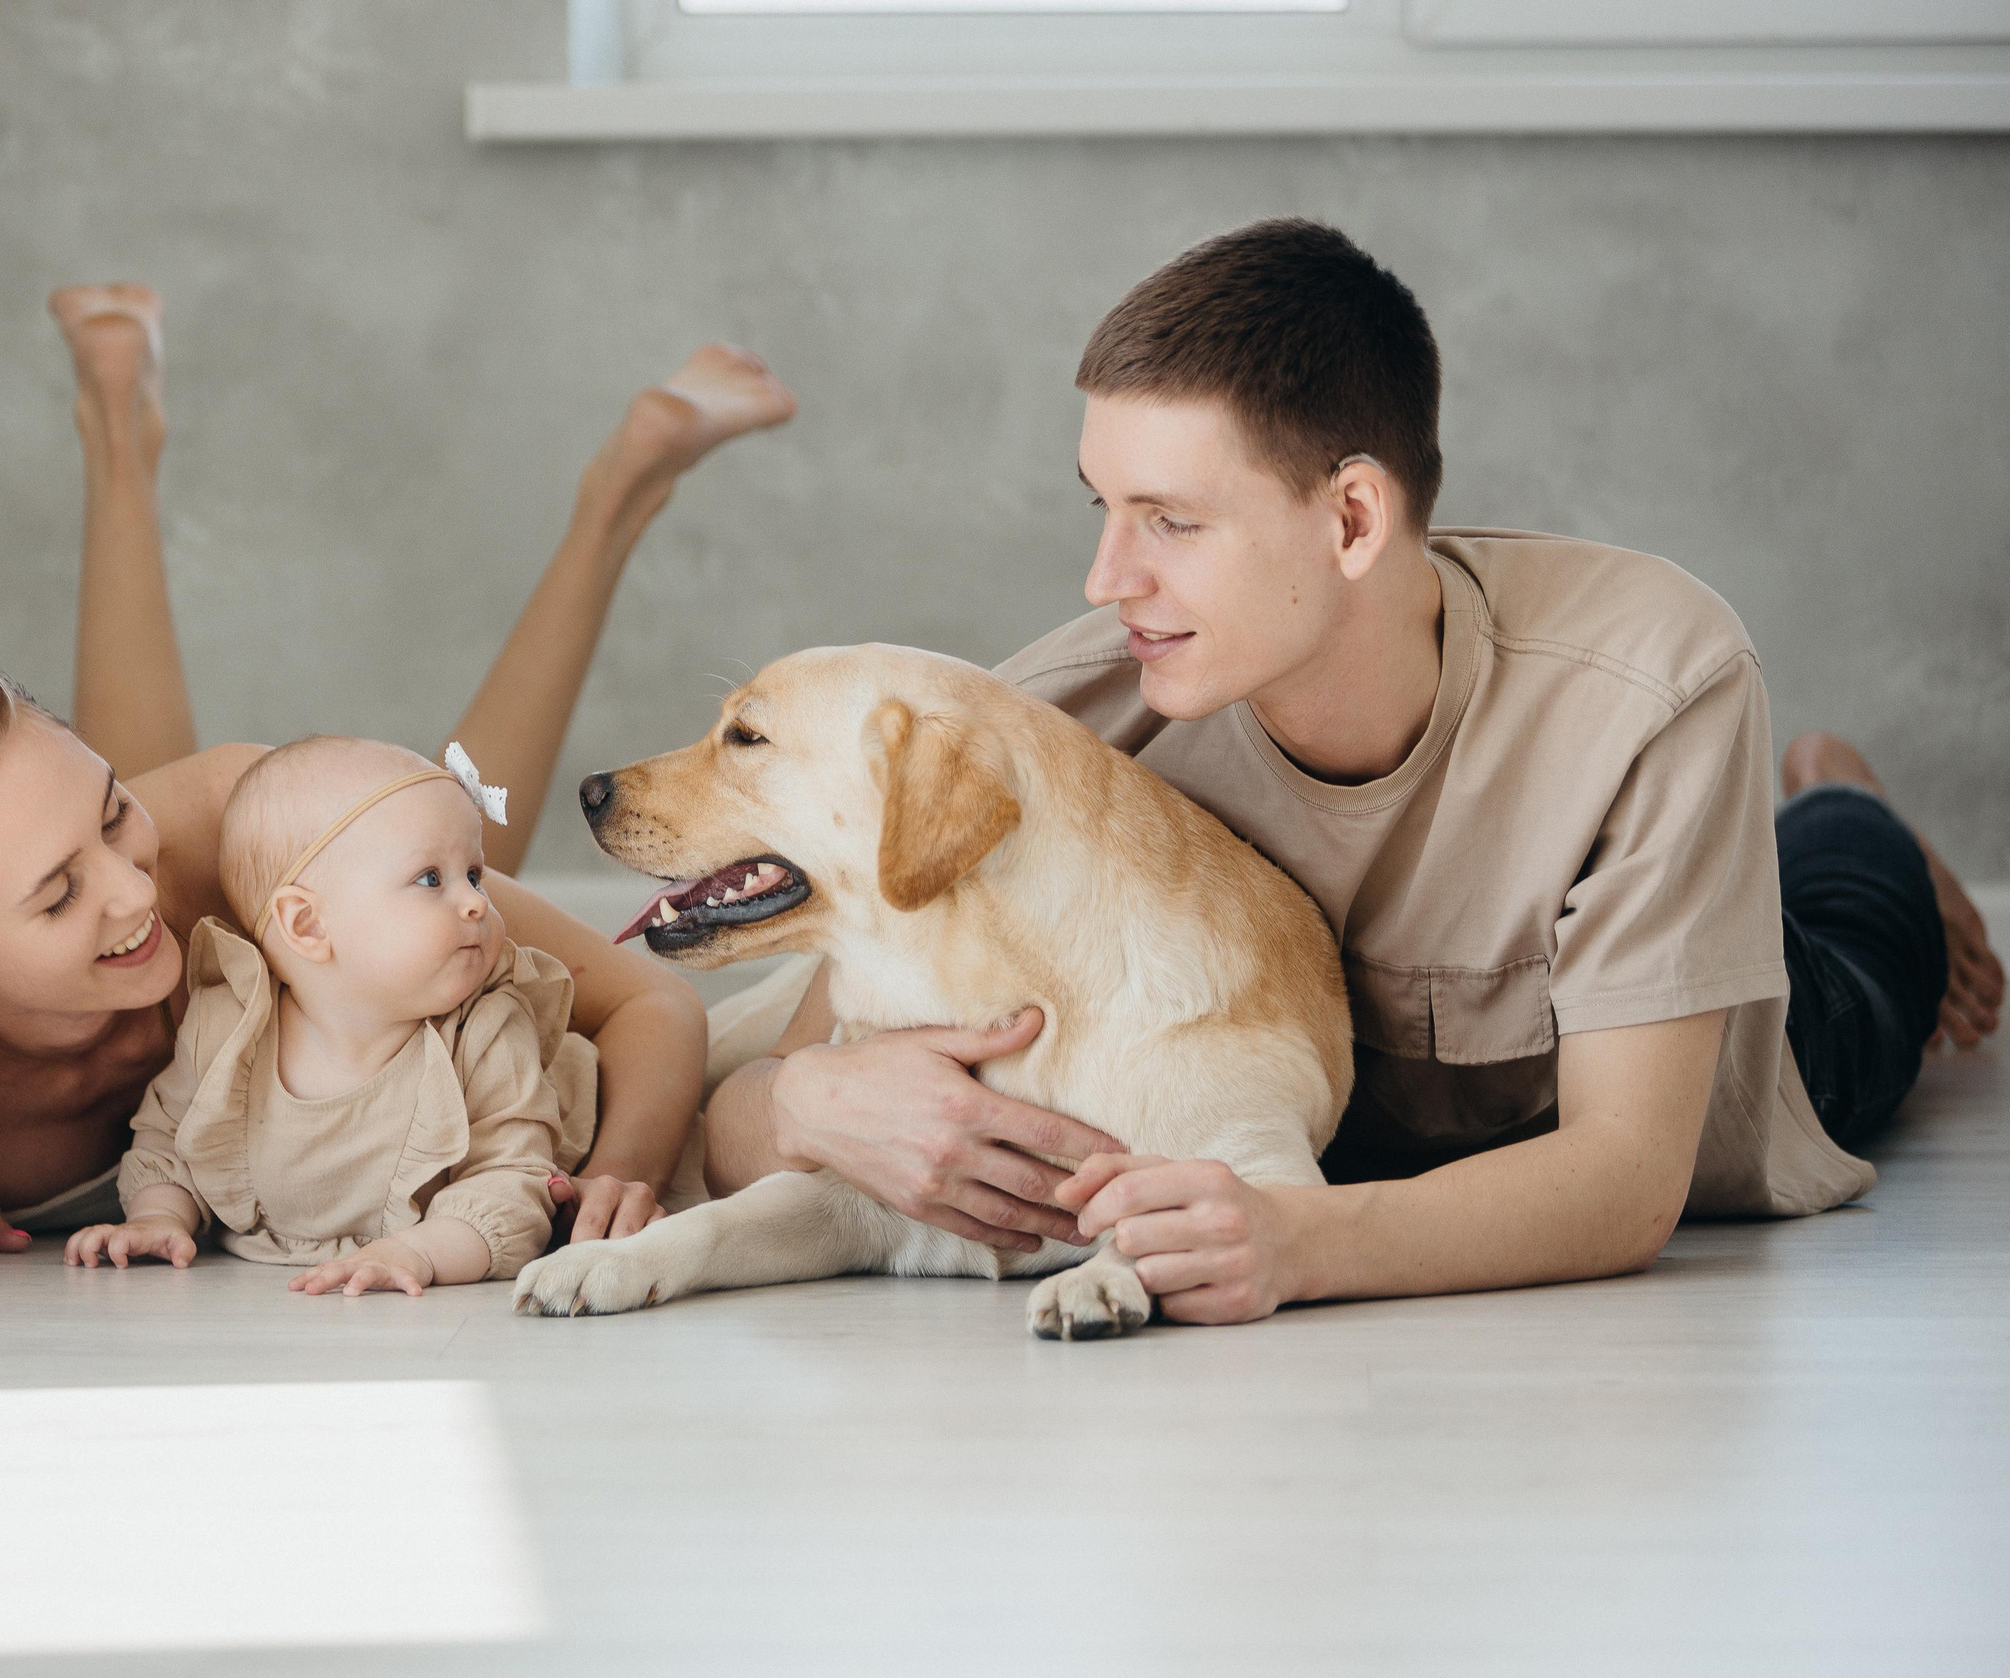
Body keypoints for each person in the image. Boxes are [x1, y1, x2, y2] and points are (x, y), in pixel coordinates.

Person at [701, 219, 2001, 1325]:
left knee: (1860, 924)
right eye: (1100, 507)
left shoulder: (1654, 682)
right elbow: (741, 1102)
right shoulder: (1050, 734)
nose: (1108, 580)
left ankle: (1849, 799)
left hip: (1755, 1032)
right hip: (1327, 1132)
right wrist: (811, 1105)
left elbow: (1622, 1176)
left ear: (1353, 519)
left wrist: (1300, 1243)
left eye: (1171, 521)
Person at [0, 286, 795, 1272]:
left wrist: (618, 1178)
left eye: (105, 813)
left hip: (259, 827)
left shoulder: (201, 840)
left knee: (445, 850)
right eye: (53, 896)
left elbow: (645, 1004)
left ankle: (617, 489)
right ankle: (118, 421)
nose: (132, 893)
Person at [65, 738, 595, 1294]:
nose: (476, 903)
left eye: (475, 875)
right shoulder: (229, 1029)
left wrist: (420, 1252)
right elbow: (171, 1141)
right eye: (431, 879)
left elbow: (512, 1182)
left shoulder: (485, 1031)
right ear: (308, 926)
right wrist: (159, 1218)